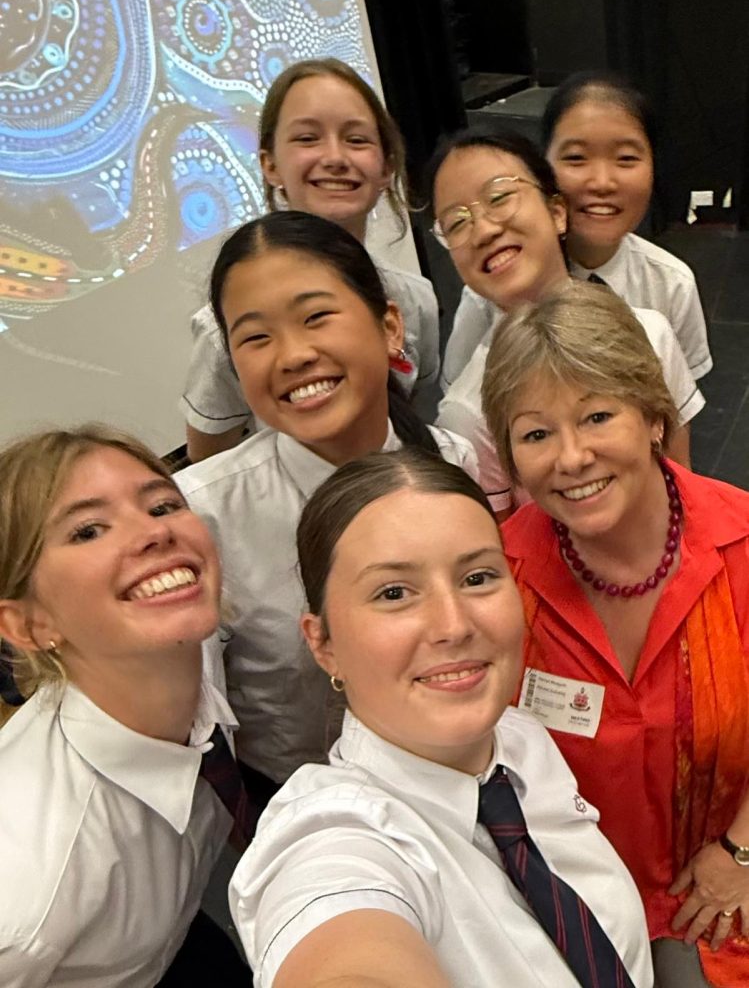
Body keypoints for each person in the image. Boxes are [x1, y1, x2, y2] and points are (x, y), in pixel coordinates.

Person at [228, 448, 653, 988]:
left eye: (477, 578)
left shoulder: (519, 740)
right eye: (394, 593)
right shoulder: (332, 838)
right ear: (323, 644)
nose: (453, 625)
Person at [480, 282, 749, 988]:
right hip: (566, 920)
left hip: (725, 898)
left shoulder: (742, 546)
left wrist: (741, 853)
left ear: (651, 417)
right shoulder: (493, 581)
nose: (571, 458)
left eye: (596, 416)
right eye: (536, 433)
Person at [174, 211, 476, 800]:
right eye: (256, 337)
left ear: (391, 327)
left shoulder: (451, 463)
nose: (292, 355)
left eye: (316, 317)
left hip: (453, 769)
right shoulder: (204, 516)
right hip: (294, 794)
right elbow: (197, 719)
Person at [0, 426, 249, 987]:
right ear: (30, 625)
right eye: (87, 530)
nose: (154, 533)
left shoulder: (186, 642)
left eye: (163, 505)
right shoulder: (27, 891)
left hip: (173, 934)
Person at [429, 127, 703, 517]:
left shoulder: (650, 335)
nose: (485, 229)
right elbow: (504, 553)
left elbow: (684, 491)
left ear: (557, 211)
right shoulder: (468, 413)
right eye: (456, 223)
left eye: (500, 197)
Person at [181, 57, 440, 462]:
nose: (335, 157)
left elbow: (418, 420)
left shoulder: (416, 300)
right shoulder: (225, 329)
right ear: (270, 164)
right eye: (307, 138)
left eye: (357, 139)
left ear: (387, 166)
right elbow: (211, 457)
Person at [442, 74, 712, 389]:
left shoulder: (671, 284)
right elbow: (460, 413)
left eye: (626, 158)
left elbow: (679, 407)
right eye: (576, 158)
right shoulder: (491, 291)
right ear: (542, 169)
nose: (601, 182)